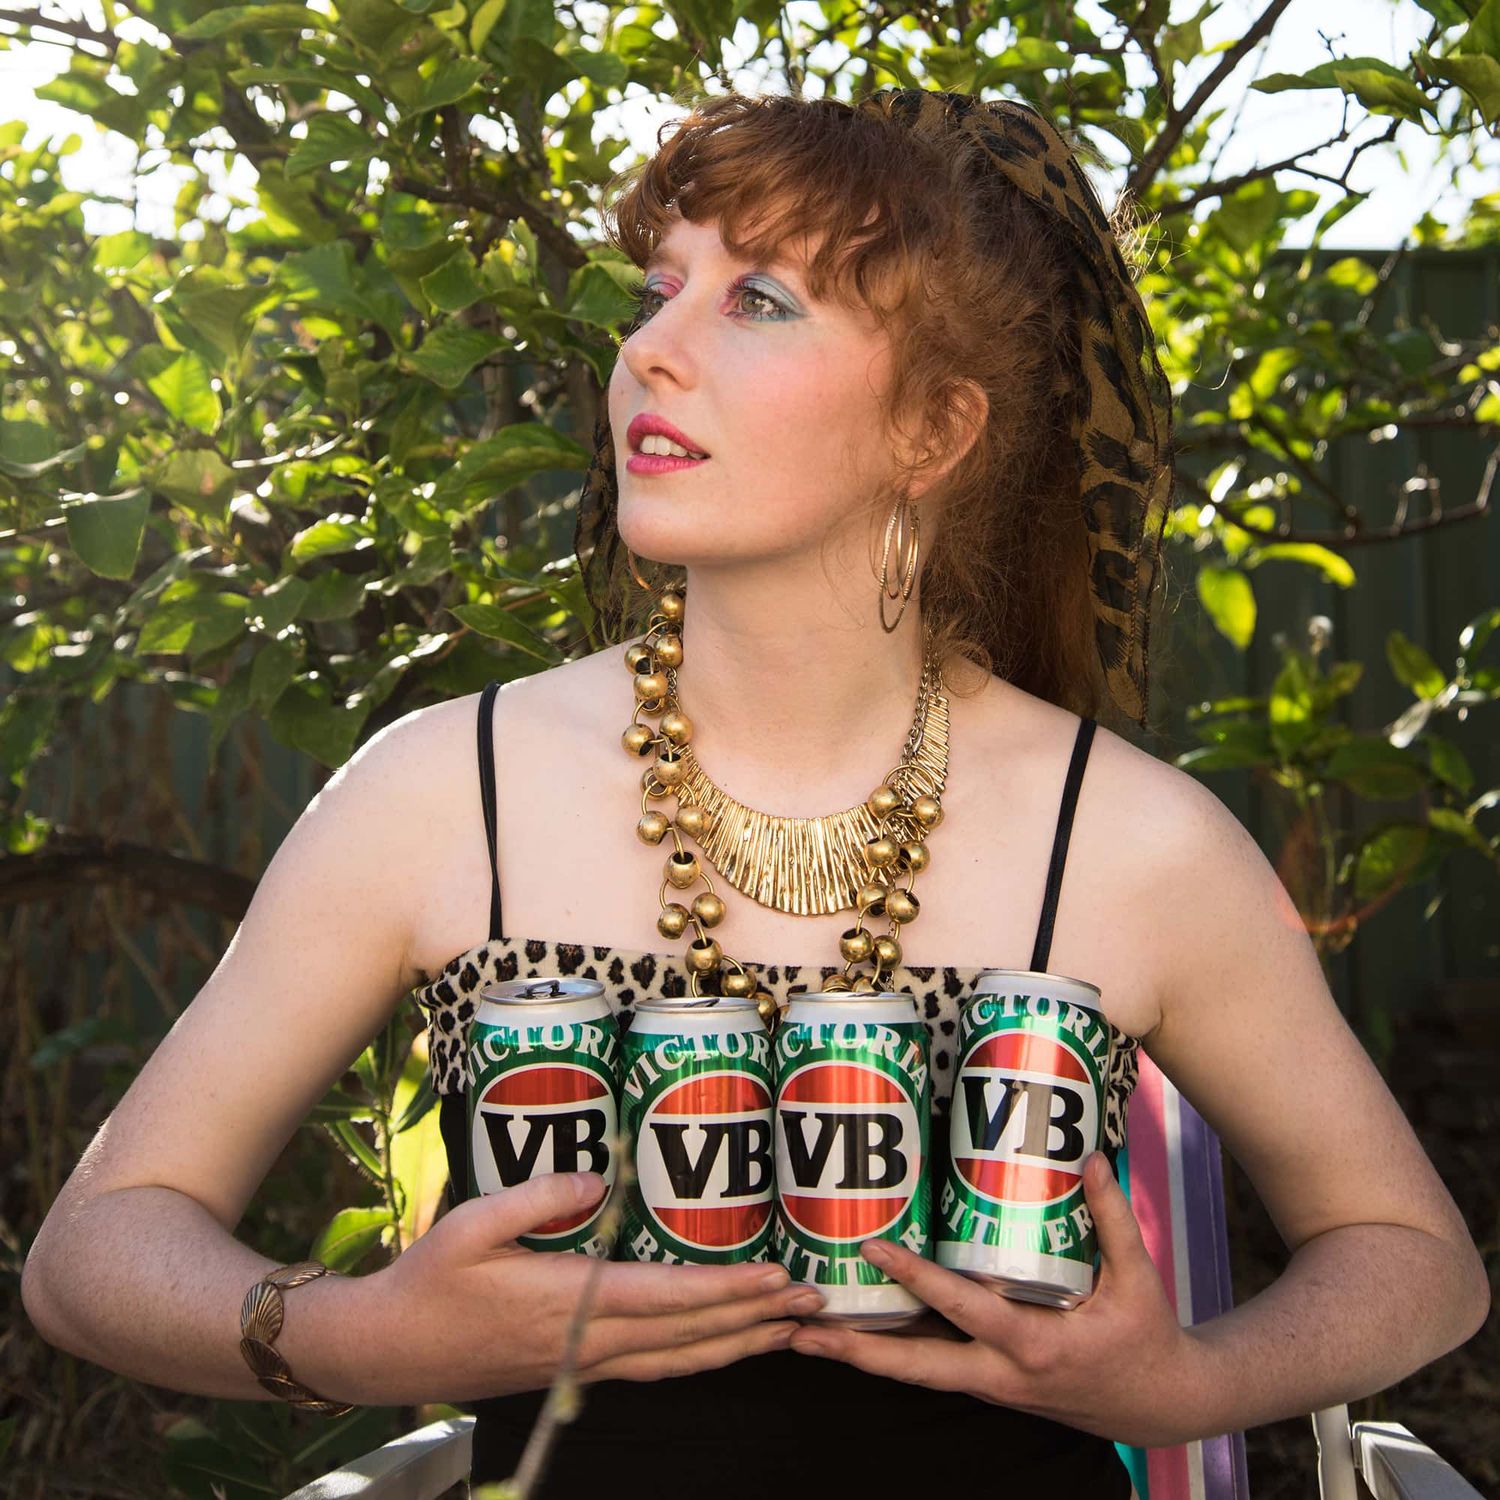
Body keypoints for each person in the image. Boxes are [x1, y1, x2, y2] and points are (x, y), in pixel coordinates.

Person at [22, 86, 1487, 1500]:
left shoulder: (1134, 840)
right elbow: (92, 1254)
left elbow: (1412, 1259)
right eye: (658, 289)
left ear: (934, 431)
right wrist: (363, 1335)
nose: (651, 349)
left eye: (758, 299)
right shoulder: (438, 790)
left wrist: (1188, 1387)